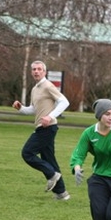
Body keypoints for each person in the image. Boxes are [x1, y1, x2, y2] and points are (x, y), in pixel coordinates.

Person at [12, 60, 70, 201]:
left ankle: (52, 175)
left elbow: (64, 102)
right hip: (42, 127)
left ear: (44, 71)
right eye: (34, 69)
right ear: (31, 72)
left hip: (48, 128)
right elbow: (33, 109)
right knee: (49, 159)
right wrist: (21, 108)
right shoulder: (35, 89)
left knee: (27, 153)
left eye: (39, 69)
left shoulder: (48, 85)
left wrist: (49, 117)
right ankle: (62, 193)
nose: (36, 71)